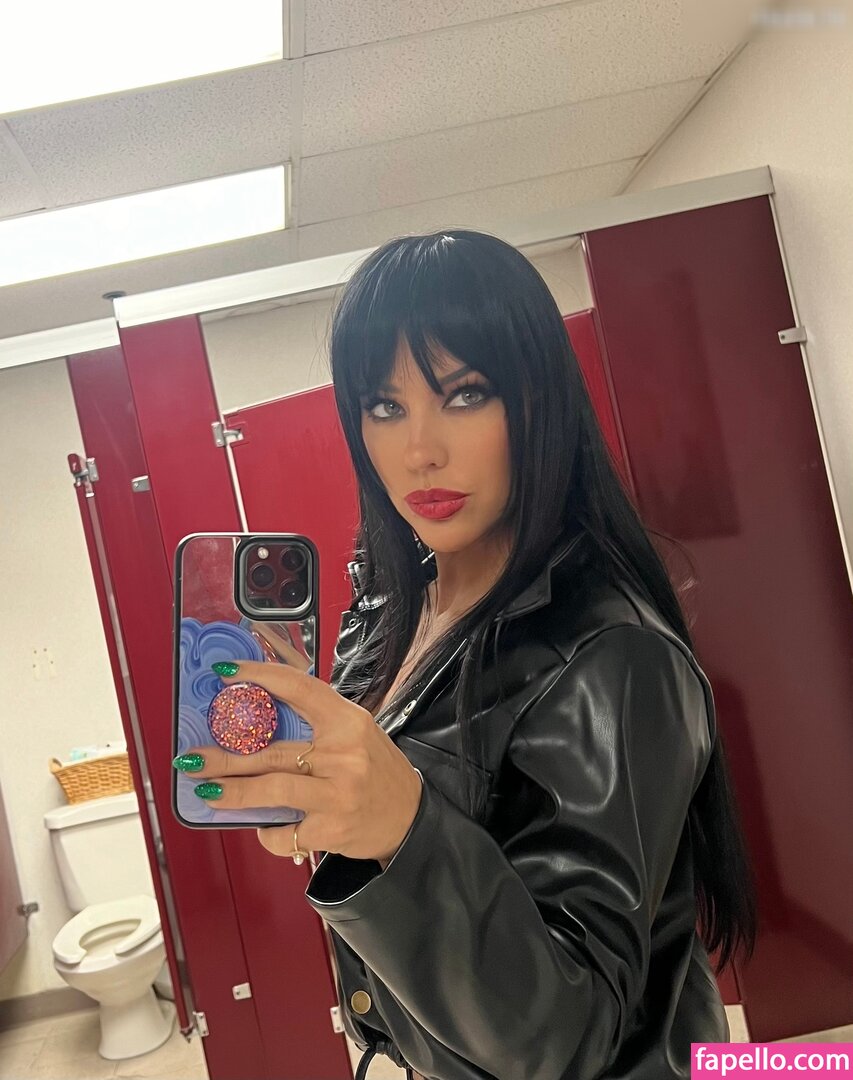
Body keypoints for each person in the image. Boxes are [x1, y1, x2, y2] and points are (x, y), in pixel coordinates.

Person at [177, 230, 757, 1079]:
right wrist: (322, 784)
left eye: (465, 394)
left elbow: (573, 1037)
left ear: (537, 401)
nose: (419, 450)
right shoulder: (386, 611)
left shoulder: (612, 656)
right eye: (384, 406)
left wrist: (402, 827)